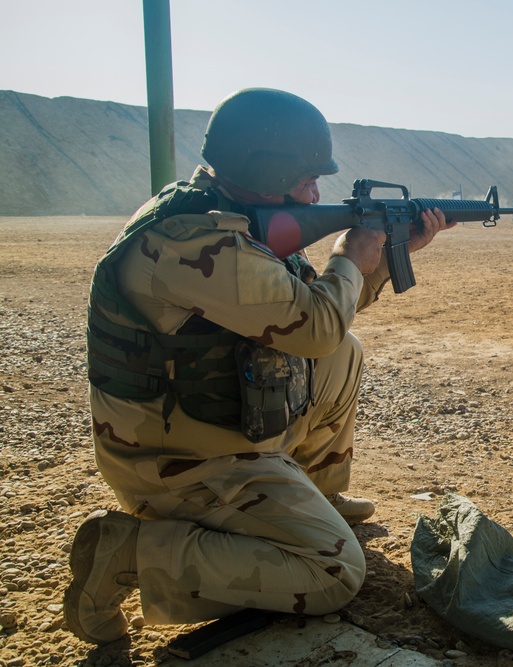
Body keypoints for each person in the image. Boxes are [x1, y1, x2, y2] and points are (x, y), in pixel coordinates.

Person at [64, 87, 454, 644]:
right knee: (334, 573)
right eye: (306, 178)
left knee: (345, 353)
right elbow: (315, 324)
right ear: (267, 170)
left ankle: (318, 492)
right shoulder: (193, 241)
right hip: (175, 461)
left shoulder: (227, 213)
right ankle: (128, 552)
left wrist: (386, 259)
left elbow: (312, 324)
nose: (317, 191)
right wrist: (349, 255)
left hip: (211, 424)